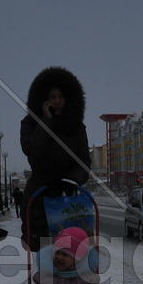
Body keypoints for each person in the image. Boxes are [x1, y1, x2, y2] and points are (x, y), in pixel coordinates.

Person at [19, 66, 91, 250]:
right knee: (44, 251)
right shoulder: (30, 123)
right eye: (52, 97)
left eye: (60, 97)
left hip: (67, 195)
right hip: (39, 194)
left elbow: (84, 162)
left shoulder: (77, 127)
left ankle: (70, 279)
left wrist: (72, 180)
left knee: (71, 250)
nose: (57, 101)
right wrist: (47, 120)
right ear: (44, 100)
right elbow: (32, 151)